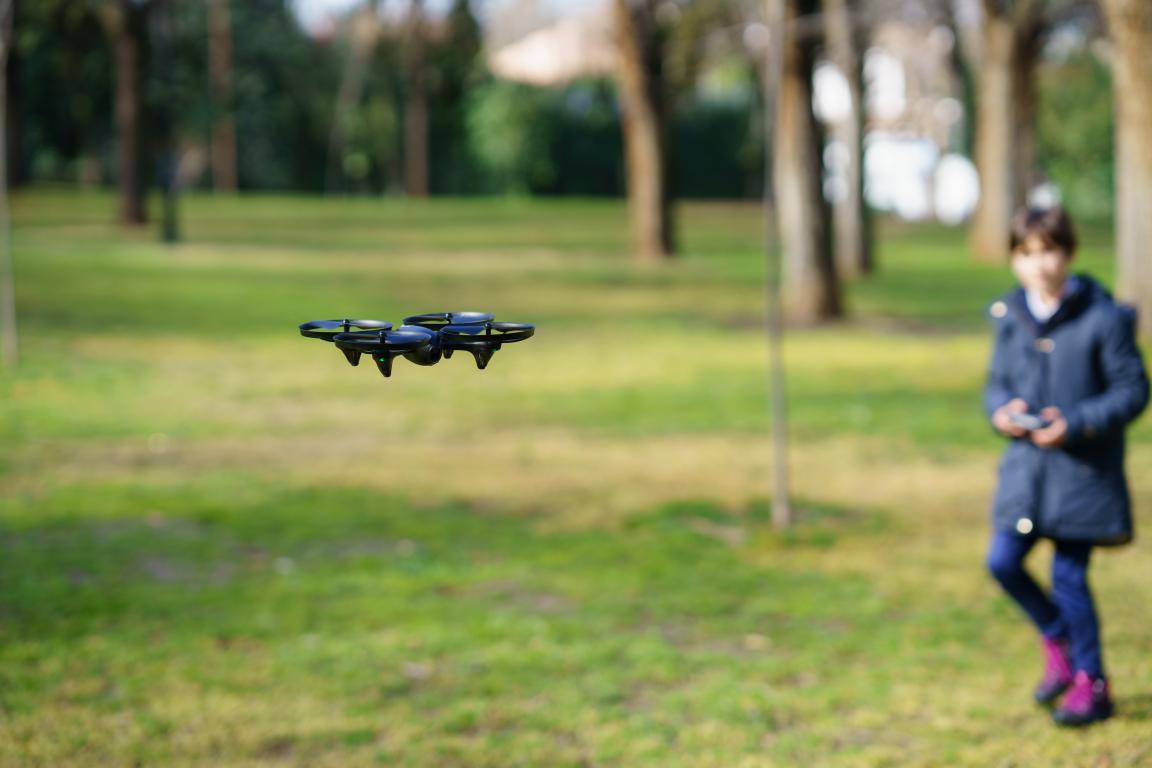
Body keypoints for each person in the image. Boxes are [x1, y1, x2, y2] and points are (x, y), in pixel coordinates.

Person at [984, 205, 1149, 727]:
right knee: (1003, 561)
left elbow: (1133, 389)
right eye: (1027, 253)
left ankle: (1092, 683)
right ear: (1014, 258)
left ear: (1069, 253)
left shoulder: (1104, 317)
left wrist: (1075, 422)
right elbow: (996, 383)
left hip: (1081, 476)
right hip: (1027, 476)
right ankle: (1057, 640)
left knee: (1069, 577)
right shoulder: (1010, 316)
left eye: (1048, 251)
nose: (1040, 265)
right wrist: (1002, 411)